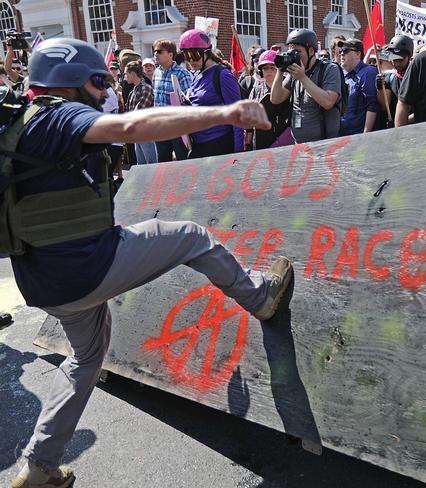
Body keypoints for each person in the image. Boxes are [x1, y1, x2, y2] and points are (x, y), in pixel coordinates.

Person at [5, 38, 294, 488]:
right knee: (192, 237)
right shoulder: (60, 115)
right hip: (85, 269)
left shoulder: (18, 123)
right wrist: (225, 112)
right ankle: (260, 298)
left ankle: (41, 465)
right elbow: (129, 127)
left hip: (42, 282)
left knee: (85, 359)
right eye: (99, 82)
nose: (105, 92)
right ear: (68, 82)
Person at [179, 29, 243, 158]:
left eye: (194, 55)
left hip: (219, 145)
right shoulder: (197, 74)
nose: (191, 60)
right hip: (198, 145)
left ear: (207, 53)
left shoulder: (223, 75)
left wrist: (238, 155)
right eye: (186, 56)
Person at [270, 29, 342, 143]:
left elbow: (328, 102)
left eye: (297, 52)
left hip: (325, 146)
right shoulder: (294, 73)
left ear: (311, 51)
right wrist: (280, 70)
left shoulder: (329, 69)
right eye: (290, 52)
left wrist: (303, 78)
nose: (294, 56)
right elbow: (275, 99)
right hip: (298, 146)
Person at [152, 39, 192, 162]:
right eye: (154, 51)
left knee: (183, 162)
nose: (155, 54)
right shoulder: (156, 72)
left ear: (170, 54)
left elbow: (188, 101)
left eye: (159, 51)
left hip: (178, 127)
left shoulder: (182, 73)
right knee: (163, 164)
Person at [247, 49, 290, 150]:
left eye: (272, 67)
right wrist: (247, 143)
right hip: (261, 141)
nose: (269, 71)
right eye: (265, 68)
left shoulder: (288, 85)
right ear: (261, 71)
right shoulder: (256, 88)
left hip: (284, 141)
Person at [337, 38, 378, 135]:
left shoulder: (368, 72)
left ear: (358, 54)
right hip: (340, 135)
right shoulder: (341, 73)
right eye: (341, 51)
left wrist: (365, 134)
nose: (342, 54)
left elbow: (372, 105)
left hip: (357, 136)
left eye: (346, 50)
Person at [376, 35, 414, 129]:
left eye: (400, 60)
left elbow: (422, 110)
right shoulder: (389, 77)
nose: (396, 64)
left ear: (409, 56)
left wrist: (400, 123)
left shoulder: (417, 78)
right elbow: (385, 106)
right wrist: (381, 88)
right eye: (394, 60)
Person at [124, 61, 158, 165]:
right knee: (141, 166)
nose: (125, 76)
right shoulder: (133, 91)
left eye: (126, 74)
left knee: (151, 165)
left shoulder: (146, 89)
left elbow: (138, 113)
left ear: (133, 74)